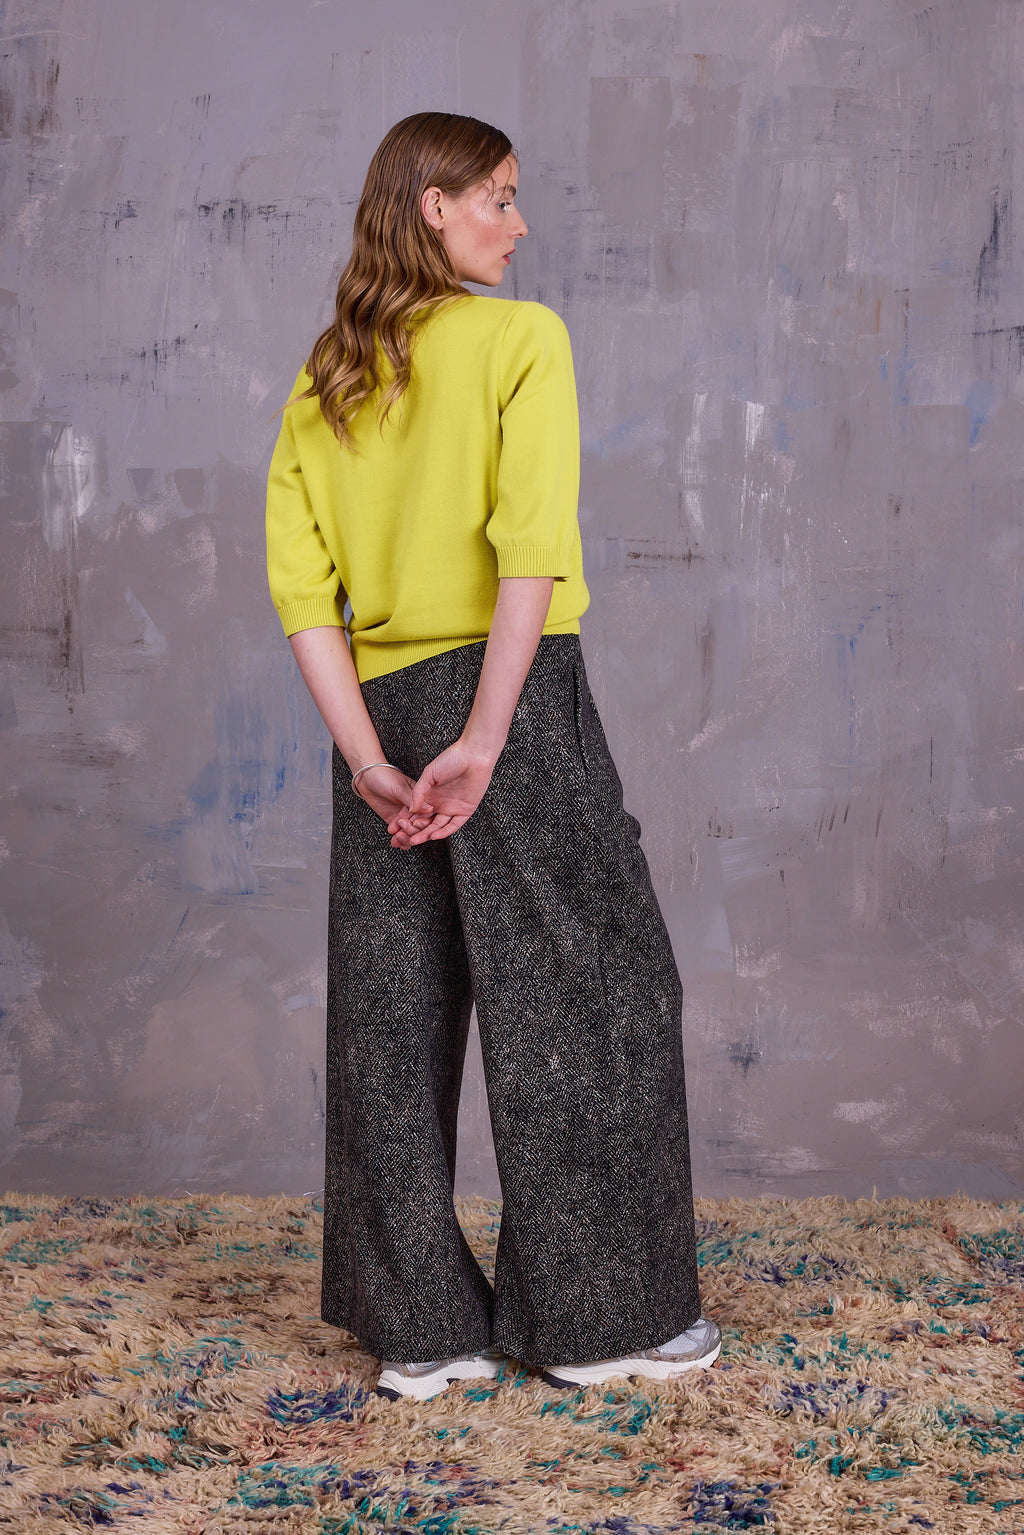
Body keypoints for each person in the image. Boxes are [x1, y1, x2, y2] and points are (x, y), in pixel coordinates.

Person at [265, 110, 719, 1402]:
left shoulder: (327, 378)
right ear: (434, 205)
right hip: (504, 695)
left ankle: (420, 1330)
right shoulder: (523, 339)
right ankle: (598, 1321)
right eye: (499, 198)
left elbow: (303, 592)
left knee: (390, 1009)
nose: (518, 225)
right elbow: (531, 552)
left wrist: (369, 760)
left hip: (376, 703)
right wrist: (484, 735)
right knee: (592, 988)